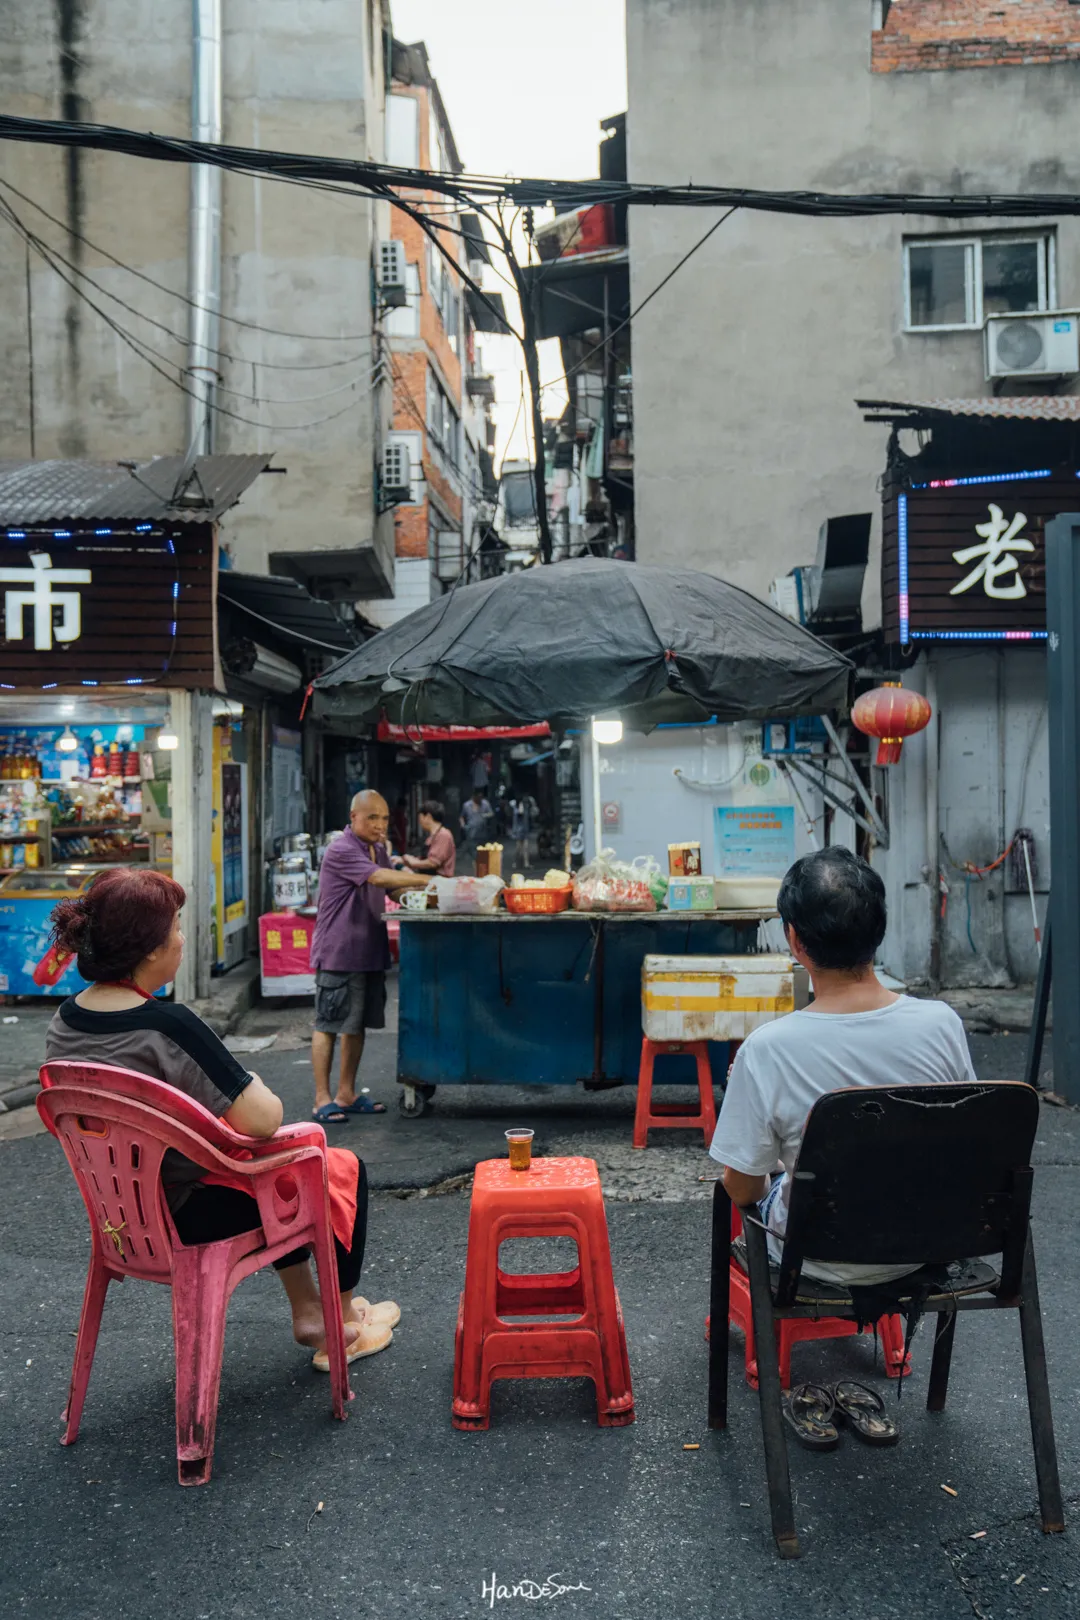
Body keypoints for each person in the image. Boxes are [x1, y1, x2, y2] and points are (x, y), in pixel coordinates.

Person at [43, 867, 398, 1368]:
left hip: (120, 1217)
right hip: (190, 1214)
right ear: (149, 950)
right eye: (176, 929)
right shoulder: (168, 1026)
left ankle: (308, 1310)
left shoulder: (64, 1022)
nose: (182, 939)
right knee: (334, 1167)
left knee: (269, 1170)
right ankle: (340, 1325)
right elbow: (263, 1118)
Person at [709, 845, 976, 1287]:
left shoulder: (767, 1050)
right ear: (878, 930)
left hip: (815, 1255)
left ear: (795, 940)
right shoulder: (941, 1024)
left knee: (769, 1174)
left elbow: (742, 1190)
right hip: (926, 1245)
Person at [309, 790, 428, 1124]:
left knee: (356, 1025)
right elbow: (379, 878)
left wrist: (433, 895)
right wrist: (429, 878)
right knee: (328, 1024)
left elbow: (393, 888)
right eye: (372, 817)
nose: (380, 825)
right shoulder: (342, 849)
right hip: (339, 951)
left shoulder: (376, 850)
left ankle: (346, 1094)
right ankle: (322, 1099)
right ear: (354, 817)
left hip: (368, 950)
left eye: (385, 818)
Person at [399, 799, 456, 877]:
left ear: (428, 817)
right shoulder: (431, 837)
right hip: (430, 881)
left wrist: (413, 862)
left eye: (421, 817)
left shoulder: (444, 835)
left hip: (440, 883)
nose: (420, 821)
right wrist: (404, 860)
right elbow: (426, 859)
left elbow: (433, 863)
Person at [460, 788, 492, 873]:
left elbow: (491, 813)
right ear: (473, 797)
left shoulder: (485, 803)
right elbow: (462, 816)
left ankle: (484, 872)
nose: (480, 799)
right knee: (474, 855)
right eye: (478, 797)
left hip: (483, 832)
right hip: (471, 833)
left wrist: (484, 815)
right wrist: (463, 826)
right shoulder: (467, 805)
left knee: (484, 854)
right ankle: (477, 872)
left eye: (481, 797)